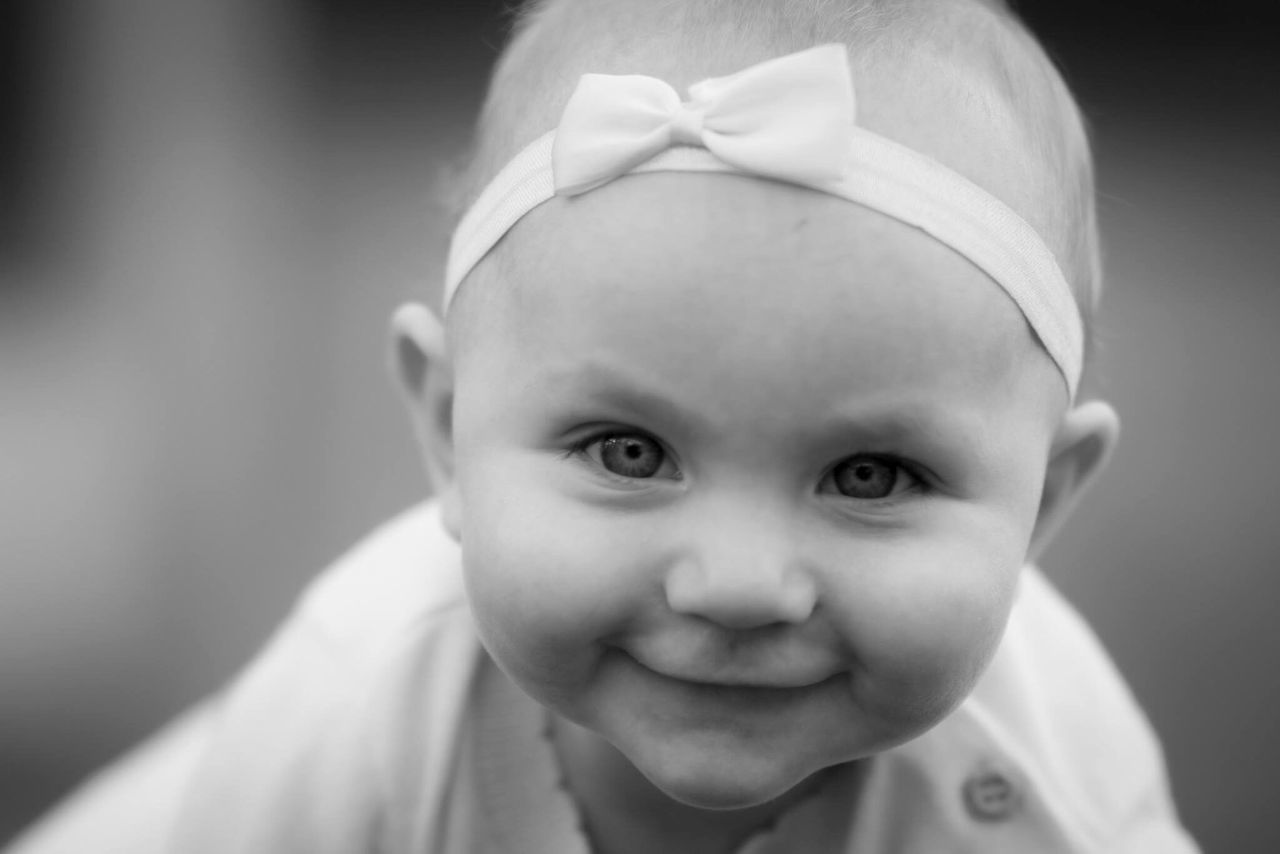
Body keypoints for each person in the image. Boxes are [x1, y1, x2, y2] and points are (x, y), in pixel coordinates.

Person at [8, 0, 1201, 851]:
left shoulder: (1051, 783)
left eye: (872, 474)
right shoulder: (340, 733)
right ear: (445, 424)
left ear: (1040, 498)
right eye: (628, 452)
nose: (738, 584)